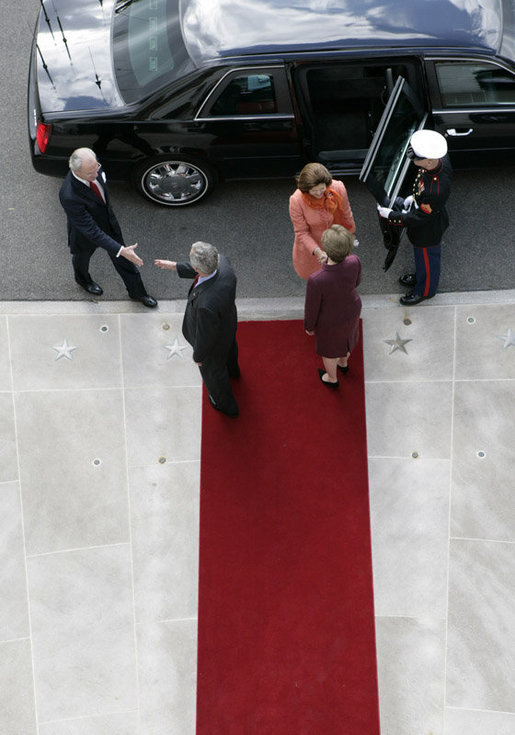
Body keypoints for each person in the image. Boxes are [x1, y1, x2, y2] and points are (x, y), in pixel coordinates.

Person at [59, 147, 157, 307]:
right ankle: (83, 280)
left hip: (108, 224)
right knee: (81, 258)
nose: (96, 174)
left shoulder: (94, 168)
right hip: (85, 233)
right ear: (76, 172)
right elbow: (90, 229)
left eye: (96, 168)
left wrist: (121, 251)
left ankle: (138, 293)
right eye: (90, 174)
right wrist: (120, 249)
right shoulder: (69, 195)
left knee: (125, 261)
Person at [155, 242, 240, 417]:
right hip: (228, 323)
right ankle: (234, 372)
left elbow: (205, 335)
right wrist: (174, 266)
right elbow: (204, 269)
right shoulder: (223, 263)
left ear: (196, 267)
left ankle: (225, 405)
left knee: (214, 374)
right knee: (230, 351)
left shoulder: (205, 305)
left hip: (213, 345)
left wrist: (199, 356)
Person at [377, 129, 452, 306]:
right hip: (428, 216)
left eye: (418, 159)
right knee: (422, 258)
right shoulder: (436, 163)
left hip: (427, 230)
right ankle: (420, 276)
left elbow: (419, 218)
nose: (414, 161)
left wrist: (392, 216)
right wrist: (415, 198)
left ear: (430, 160)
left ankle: (425, 291)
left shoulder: (436, 190)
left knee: (428, 259)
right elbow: (423, 186)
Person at [304, 225, 362, 388]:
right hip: (352, 309)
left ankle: (332, 378)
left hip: (330, 319)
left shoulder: (316, 279)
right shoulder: (355, 261)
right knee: (348, 338)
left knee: (329, 350)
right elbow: (356, 282)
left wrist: (309, 327)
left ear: (326, 249)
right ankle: (343, 363)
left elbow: (312, 308)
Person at [289, 162, 356, 279]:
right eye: (314, 191)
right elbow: (301, 232)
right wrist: (318, 252)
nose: (319, 193)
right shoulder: (296, 200)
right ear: (306, 189)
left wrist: (349, 236)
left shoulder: (338, 188)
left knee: (339, 277)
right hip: (314, 248)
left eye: (322, 189)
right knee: (318, 280)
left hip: (337, 243)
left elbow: (347, 214)